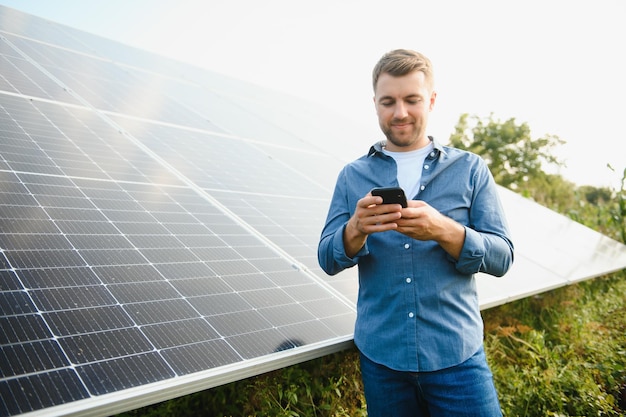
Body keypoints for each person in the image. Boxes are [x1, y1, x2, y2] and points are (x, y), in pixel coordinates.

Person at [317, 49, 514, 417]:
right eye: (388, 101)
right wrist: (355, 230)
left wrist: (445, 230)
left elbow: (502, 257)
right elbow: (327, 258)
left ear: (432, 100)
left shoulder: (470, 169)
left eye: (412, 100)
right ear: (375, 104)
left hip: (457, 359)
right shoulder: (352, 176)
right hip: (383, 363)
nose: (400, 113)